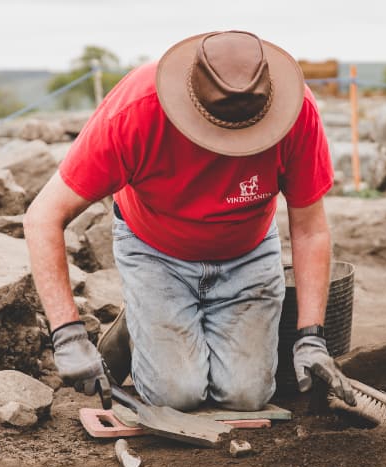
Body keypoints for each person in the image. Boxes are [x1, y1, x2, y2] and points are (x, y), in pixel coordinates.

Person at [24, 30, 354, 411]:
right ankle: (142, 322)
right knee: (176, 395)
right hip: (155, 251)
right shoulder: (136, 110)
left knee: (246, 396)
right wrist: (67, 335)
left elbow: (311, 229)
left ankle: (167, 324)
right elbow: (43, 216)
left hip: (246, 253)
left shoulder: (296, 113)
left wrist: (311, 337)